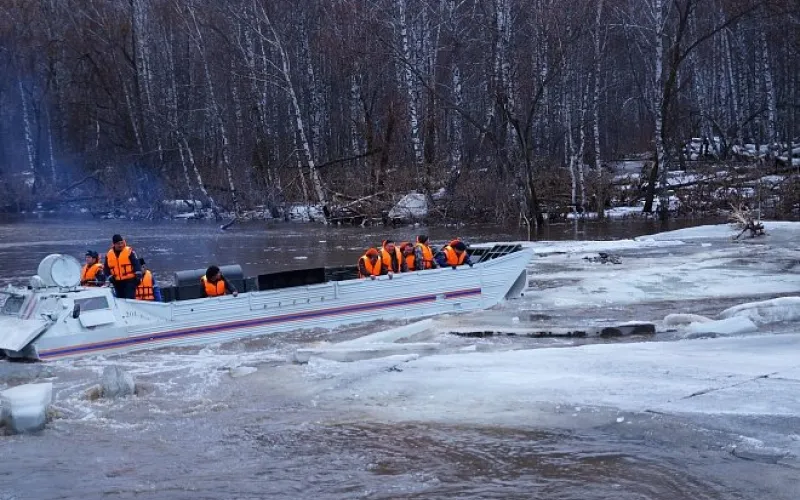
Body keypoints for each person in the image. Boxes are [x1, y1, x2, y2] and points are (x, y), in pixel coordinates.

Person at [104, 234, 142, 299]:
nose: (121, 245)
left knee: (129, 299)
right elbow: (106, 268)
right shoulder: (109, 254)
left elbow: (136, 263)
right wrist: (110, 277)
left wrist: (138, 275)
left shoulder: (129, 251)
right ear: (114, 244)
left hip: (129, 281)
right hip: (117, 282)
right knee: (120, 299)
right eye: (118, 243)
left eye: (122, 243)